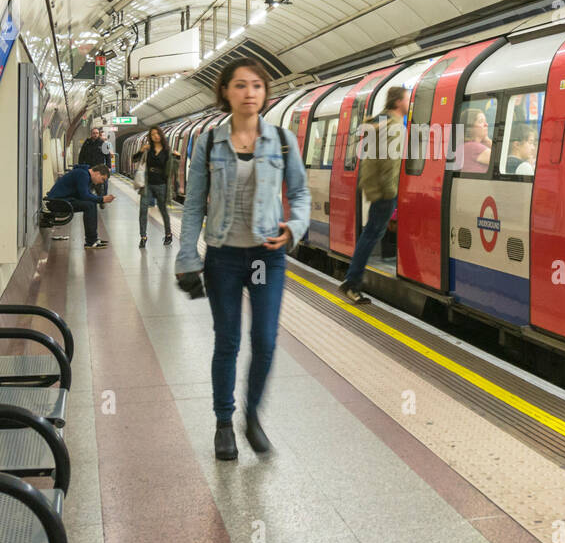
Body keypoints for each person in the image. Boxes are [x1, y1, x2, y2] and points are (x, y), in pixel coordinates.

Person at [174, 58, 310, 462]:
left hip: (267, 256)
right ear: (226, 93)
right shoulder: (209, 143)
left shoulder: (283, 140)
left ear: (265, 94)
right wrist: (187, 259)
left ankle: (252, 416)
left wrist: (295, 227)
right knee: (228, 341)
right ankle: (223, 423)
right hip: (224, 257)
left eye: (256, 86)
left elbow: (300, 193)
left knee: (265, 341)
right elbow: (194, 203)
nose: (249, 93)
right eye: (240, 85)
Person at [339, 86, 409, 304]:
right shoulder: (395, 126)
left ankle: (352, 279)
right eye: (407, 99)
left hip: (376, 189)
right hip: (385, 191)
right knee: (371, 235)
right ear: (398, 102)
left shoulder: (380, 121)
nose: (410, 103)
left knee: (370, 234)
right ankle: (352, 282)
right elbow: (390, 163)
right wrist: (391, 194)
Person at [45, 163, 115, 248]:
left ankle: (93, 239)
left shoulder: (84, 175)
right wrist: (102, 199)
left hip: (61, 200)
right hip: (57, 203)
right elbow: (84, 195)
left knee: (91, 204)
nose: (100, 182)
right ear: (98, 173)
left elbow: (87, 195)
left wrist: (100, 199)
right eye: (102, 179)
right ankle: (91, 241)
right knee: (89, 206)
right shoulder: (83, 175)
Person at [134, 126, 180, 248]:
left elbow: (173, 169)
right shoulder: (148, 149)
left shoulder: (167, 151)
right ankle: (143, 237)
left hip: (161, 184)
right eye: (152, 134)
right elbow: (134, 159)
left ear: (161, 135)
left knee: (163, 210)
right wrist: (141, 150)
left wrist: (177, 158)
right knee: (143, 209)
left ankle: (168, 234)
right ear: (150, 137)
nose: (155, 136)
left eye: (157, 133)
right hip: (147, 184)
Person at [458, 108, 493, 173]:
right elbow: (500, 160)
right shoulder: (472, 147)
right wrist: (488, 141)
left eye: (485, 121)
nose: (486, 125)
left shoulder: (465, 146)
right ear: (470, 127)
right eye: (481, 122)